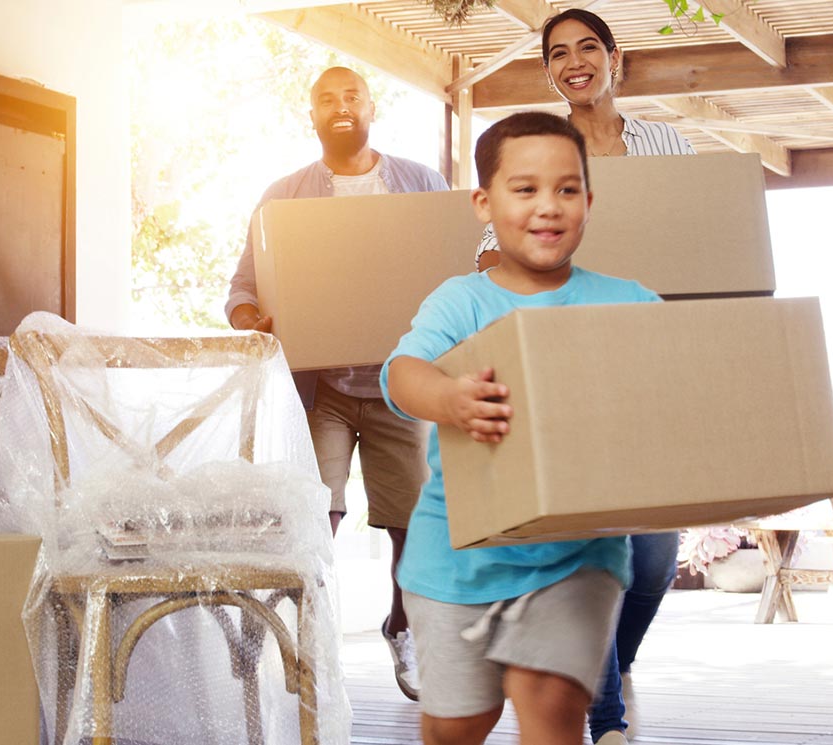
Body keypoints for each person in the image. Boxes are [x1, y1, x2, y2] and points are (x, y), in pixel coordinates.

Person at [382, 111, 657, 745]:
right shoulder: (461, 302)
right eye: (525, 189)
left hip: (577, 556)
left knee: (551, 703)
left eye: (567, 190)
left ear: (589, 200)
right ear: (484, 202)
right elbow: (402, 374)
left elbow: (668, 393)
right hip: (456, 561)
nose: (549, 208)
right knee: (459, 724)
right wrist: (450, 398)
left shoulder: (630, 304)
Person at [472, 11, 695, 742]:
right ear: (549, 70)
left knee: (656, 553)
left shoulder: (666, 144)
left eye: (587, 48)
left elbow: (706, 232)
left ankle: (606, 663)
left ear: (613, 58)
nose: (574, 62)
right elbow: (486, 250)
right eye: (558, 53)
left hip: (653, 362)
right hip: (569, 363)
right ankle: (608, 721)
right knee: (596, 548)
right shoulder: (538, 147)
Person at [225, 65, 444, 702]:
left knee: (412, 524)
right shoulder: (283, 196)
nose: (340, 106)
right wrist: (251, 318)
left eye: (352, 96)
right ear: (312, 115)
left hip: (398, 383)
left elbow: (471, 249)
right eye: (327, 99)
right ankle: (294, 631)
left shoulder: (421, 184)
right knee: (314, 514)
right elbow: (244, 286)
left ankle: (402, 626)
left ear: (372, 107)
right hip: (321, 389)